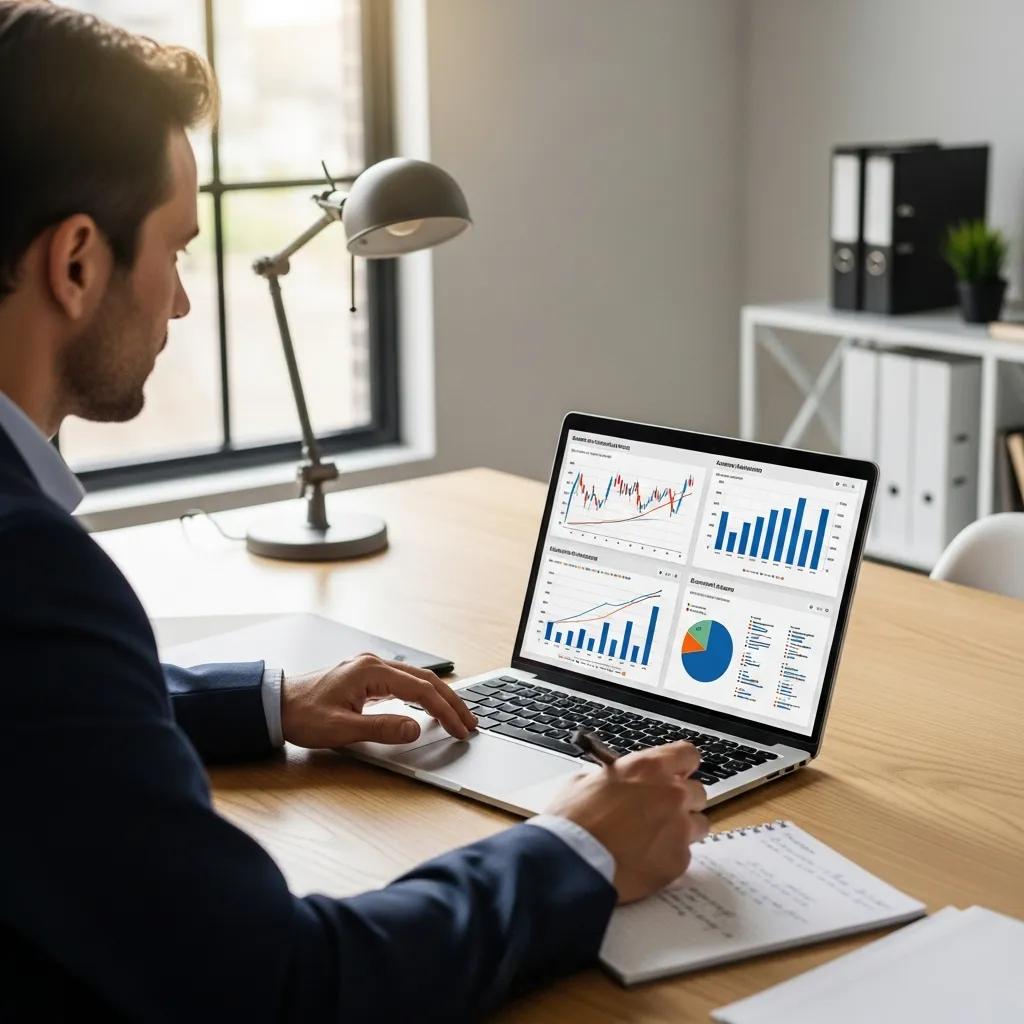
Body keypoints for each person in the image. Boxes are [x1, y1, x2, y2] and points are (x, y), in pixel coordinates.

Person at [0, 3, 709, 1019]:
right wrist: (577, 848)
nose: (182, 300)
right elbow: (285, 986)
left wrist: (266, 701)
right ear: (76, 262)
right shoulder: (29, 569)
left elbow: (42, 709)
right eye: (177, 249)